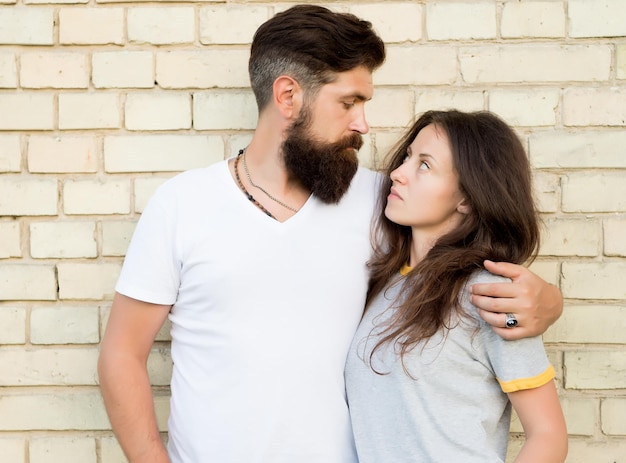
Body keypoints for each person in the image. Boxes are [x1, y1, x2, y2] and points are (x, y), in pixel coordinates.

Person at [97, 5, 563, 463]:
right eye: (348, 103)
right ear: (288, 97)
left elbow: (458, 257)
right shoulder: (182, 204)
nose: (363, 123)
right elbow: (121, 355)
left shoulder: (383, 203)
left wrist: (545, 301)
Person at [345, 110, 568, 463]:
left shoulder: (491, 295)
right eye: (407, 158)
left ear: (466, 197)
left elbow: (548, 435)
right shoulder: (383, 283)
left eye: (425, 165)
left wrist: (548, 304)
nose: (398, 174)